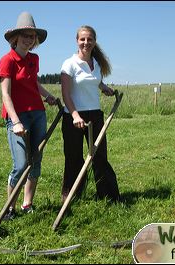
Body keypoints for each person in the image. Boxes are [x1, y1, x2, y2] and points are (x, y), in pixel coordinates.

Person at [0, 11, 56, 220]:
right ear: (16, 37)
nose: (28, 39)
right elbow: (5, 93)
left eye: (32, 36)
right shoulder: (7, 61)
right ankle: (9, 209)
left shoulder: (34, 59)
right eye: (25, 35)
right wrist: (15, 121)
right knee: (21, 164)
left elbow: (34, 83)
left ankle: (27, 204)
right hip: (18, 118)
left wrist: (48, 96)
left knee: (36, 160)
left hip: (38, 114)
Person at [60, 25, 120, 204]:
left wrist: (104, 88)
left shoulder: (96, 64)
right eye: (82, 39)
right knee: (74, 158)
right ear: (77, 41)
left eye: (90, 39)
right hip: (73, 116)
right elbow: (66, 94)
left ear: (94, 41)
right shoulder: (69, 64)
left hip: (95, 114)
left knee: (100, 155)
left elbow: (96, 82)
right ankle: (71, 197)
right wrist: (75, 115)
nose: (86, 42)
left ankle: (108, 195)